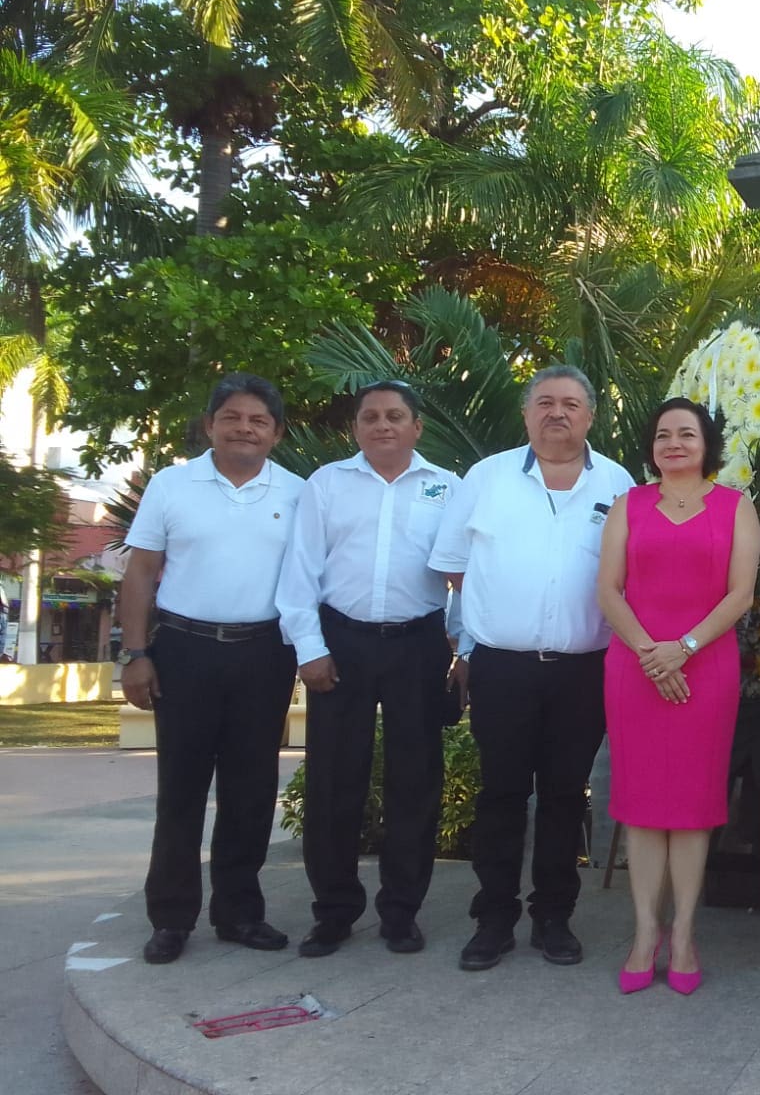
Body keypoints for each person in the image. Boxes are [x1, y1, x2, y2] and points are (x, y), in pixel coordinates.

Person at [428, 366, 634, 972]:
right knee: (501, 793)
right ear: (526, 414)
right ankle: (493, 919)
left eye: (571, 403)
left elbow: (630, 573)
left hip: (582, 670)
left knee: (566, 795)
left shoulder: (618, 483)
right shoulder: (487, 477)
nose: (557, 413)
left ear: (590, 416)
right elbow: (454, 565)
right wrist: (490, 619)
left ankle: (553, 917)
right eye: (544, 402)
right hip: (503, 668)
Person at [119, 374, 304, 965]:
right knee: (181, 790)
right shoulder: (172, 485)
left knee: (252, 789)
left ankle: (240, 913)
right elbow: (141, 572)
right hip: (184, 650)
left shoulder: (298, 493)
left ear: (276, 433)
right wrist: (135, 654)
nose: (244, 428)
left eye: (258, 420)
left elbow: (309, 579)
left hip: (264, 654)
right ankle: (171, 919)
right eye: (232, 417)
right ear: (210, 425)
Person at [274, 380, 458, 958]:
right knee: (333, 782)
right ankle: (333, 912)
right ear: (355, 427)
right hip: (342, 644)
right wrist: (309, 648)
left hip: (419, 644)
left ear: (416, 427)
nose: (383, 425)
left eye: (395, 416)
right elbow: (300, 570)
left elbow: (466, 575)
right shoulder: (326, 484)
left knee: (415, 782)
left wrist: (465, 650)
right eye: (371, 416)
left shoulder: (447, 488)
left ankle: (401, 913)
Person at [596, 398, 760, 995]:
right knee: (641, 805)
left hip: (705, 669)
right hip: (635, 666)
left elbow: (740, 595)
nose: (674, 444)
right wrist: (652, 654)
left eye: (686, 434)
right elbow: (608, 590)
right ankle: (645, 933)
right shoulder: (628, 505)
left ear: (706, 443)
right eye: (663, 434)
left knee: (693, 807)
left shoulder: (737, 507)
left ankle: (684, 934)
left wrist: (683, 648)